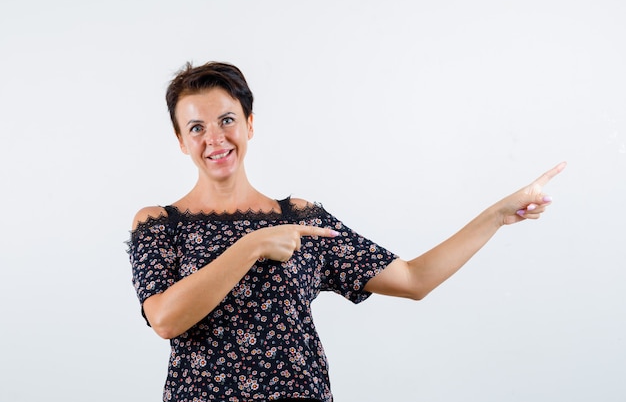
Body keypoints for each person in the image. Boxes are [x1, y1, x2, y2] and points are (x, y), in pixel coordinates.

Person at [127, 61, 566, 402]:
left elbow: (414, 279)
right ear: (181, 140)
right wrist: (253, 244)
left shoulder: (302, 217)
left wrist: (497, 215)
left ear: (249, 124)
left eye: (227, 120)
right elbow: (165, 319)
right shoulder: (159, 224)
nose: (215, 139)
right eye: (196, 128)